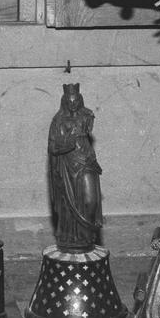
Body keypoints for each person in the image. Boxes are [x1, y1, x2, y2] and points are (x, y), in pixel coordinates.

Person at [48, 84, 103, 252]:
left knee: (90, 200)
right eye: (69, 101)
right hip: (66, 168)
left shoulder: (86, 115)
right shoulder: (58, 121)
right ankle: (72, 239)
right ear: (64, 101)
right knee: (67, 205)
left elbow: (88, 125)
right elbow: (54, 148)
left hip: (86, 164)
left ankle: (87, 235)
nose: (73, 104)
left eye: (76, 100)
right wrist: (70, 141)